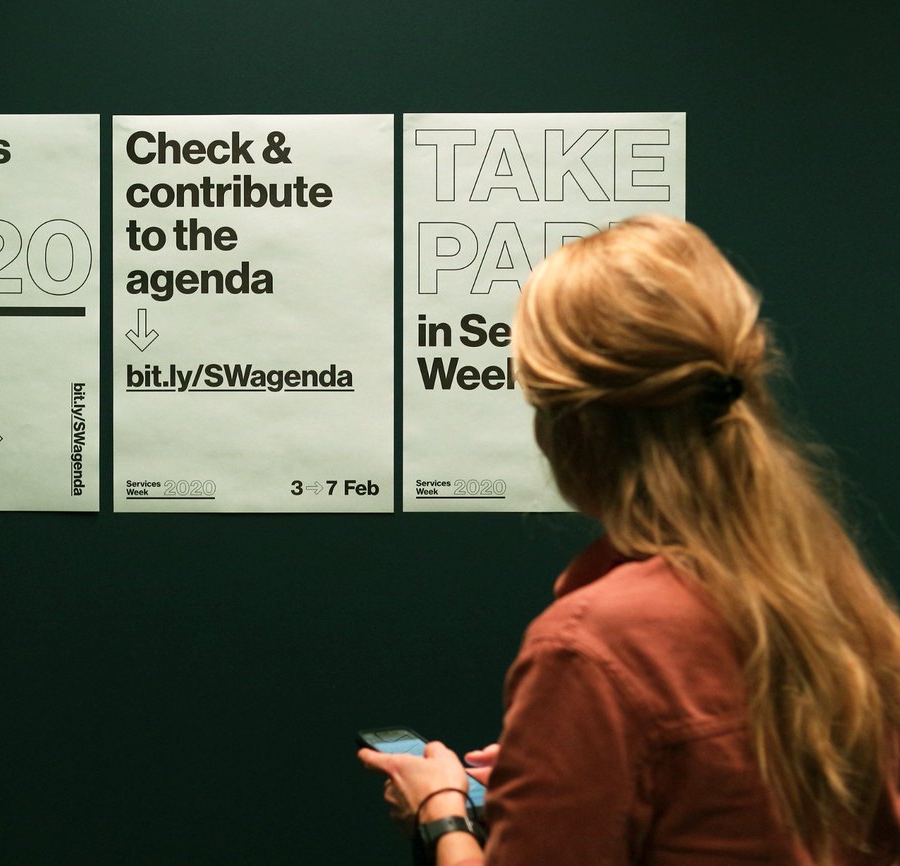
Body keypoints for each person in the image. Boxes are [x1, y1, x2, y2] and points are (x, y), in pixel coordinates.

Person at [360, 215, 900, 865]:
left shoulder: (595, 646)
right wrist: (565, 765)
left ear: (575, 428)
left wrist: (440, 811)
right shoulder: (842, 603)